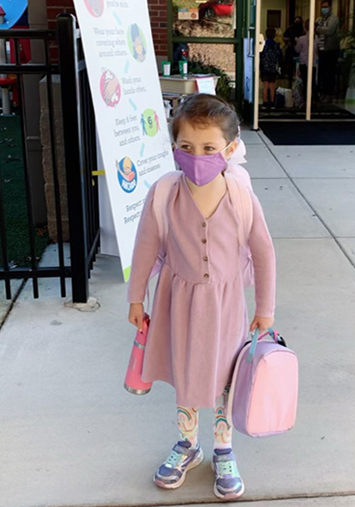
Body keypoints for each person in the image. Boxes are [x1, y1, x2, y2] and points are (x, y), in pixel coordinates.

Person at [126, 94, 277, 501]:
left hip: (227, 306)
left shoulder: (241, 194)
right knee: (186, 373)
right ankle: (188, 445)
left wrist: (266, 309)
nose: (197, 157)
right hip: (178, 302)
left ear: (229, 149)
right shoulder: (164, 193)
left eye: (209, 148)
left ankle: (223, 449)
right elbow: (145, 244)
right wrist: (136, 297)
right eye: (186, 147)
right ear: (174, 147)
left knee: (227, 377)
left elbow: (263, 250)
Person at [314, 0, 340, 100]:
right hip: (320, 49)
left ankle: (328, 92)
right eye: (323, 7)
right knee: (321, 72)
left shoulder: (334, 19)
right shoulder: (319, 19)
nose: (324, 9)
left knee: (329, 73)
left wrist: (317, 28)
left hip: (330, 49)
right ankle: (321, 91)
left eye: (326, 7)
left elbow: (329, 31)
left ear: (330, 7)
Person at [259, 27, 283, 108]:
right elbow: (280, 56)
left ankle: (265, 101)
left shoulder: (264, 45)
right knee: (272, 86)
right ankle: (272, 102)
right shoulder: (276, 46)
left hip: (265, 67)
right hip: (273, 68)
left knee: (265, 85)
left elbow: (260, 55)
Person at [283, 16, 304, 82]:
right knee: (290, 66)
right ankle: (290, 79)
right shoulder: (290, 29)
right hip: (291, 49)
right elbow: (285, 37)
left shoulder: (303, 29)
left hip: (301, 50)